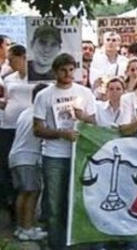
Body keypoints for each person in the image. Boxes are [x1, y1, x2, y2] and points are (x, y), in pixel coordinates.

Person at [33, 53, 96, 250]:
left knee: (78, 201)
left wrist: (82, 116)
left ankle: (77, 242)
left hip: (79, 154)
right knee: (54, 203)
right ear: (55, 71)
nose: (68, 74)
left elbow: (94, 123)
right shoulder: (45, 95)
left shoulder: (85, 93)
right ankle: (57, 245)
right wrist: (61, 133)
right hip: (54, 155)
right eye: (63, 70)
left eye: (71, 69)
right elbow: (37, 129)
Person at [9, 83, 47, 241]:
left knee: (23, 193)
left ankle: (21, 227)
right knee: (32, 192)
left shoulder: (25, 112)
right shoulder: (38, 115)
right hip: (28, 158)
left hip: (15, 157)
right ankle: (28, 228)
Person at [0, 45, 34, 219]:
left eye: (11, 58)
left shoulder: (35, 75)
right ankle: (11, 202)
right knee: (7, 164)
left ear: (22, 57)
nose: (9, 62)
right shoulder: (7, 78)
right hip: (9, 125)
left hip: (29, 126)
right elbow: (6, 99)